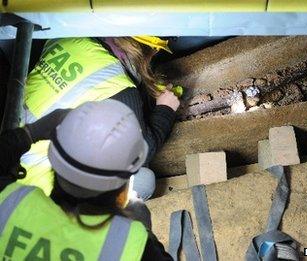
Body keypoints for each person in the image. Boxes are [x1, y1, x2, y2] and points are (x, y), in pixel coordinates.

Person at [0, 100, 172, 260]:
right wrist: (143, 236)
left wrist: (30, 133)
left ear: (55, 156)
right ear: (125, 178)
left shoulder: (10, 201)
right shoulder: (131, 246)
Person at [19, 36, 180, 199]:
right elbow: (143, 150)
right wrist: (165, 108)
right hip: (45, 192)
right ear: (145, 53)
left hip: (10, 158)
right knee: (143, 180)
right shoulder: (118, 86)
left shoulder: (64, 37)